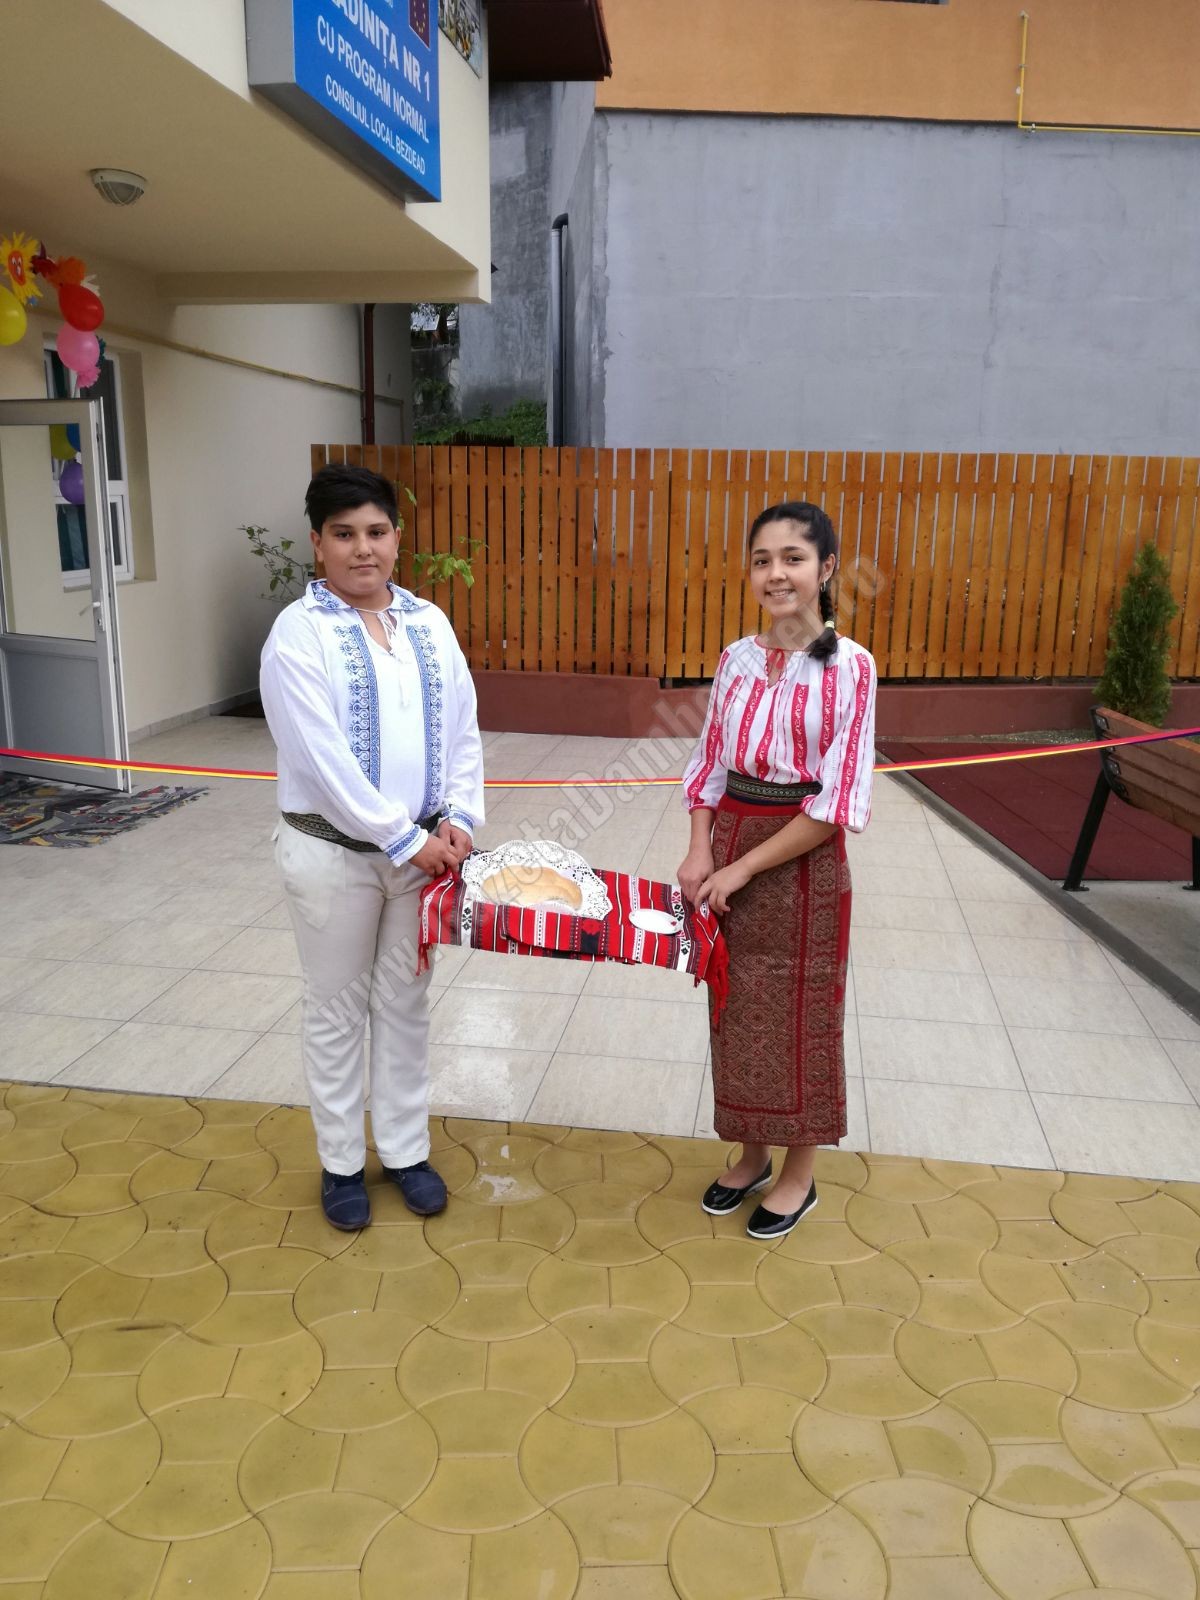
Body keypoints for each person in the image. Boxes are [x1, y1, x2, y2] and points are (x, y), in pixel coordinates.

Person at [260, 464, 484, 1231]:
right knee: (336, 1008)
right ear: (317, 543)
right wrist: (403, 838)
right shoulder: (299, 634)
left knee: (404, 1003)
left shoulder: (429, 622)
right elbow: (321, 760)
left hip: (422, 858)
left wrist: (459, 818)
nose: (364, 549)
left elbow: (462, 729)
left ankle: (406, 1151)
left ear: (397, 537)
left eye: (377, 532)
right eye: (345, 534)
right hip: (333, 859)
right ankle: (341, 1165)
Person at [678, 501, 876, 1241]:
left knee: (800, 1015)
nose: (776, 573)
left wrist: (741, 869)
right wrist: (701, 849)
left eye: (793, 558)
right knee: (734, 1009)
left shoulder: (852, 667)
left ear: (827, 569)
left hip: (803, 864)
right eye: (762, 559)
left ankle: (799, 1173)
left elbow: (836, 802)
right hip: (729, 844)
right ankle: (752, 1154)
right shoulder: (735, 658)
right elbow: (709, 762)